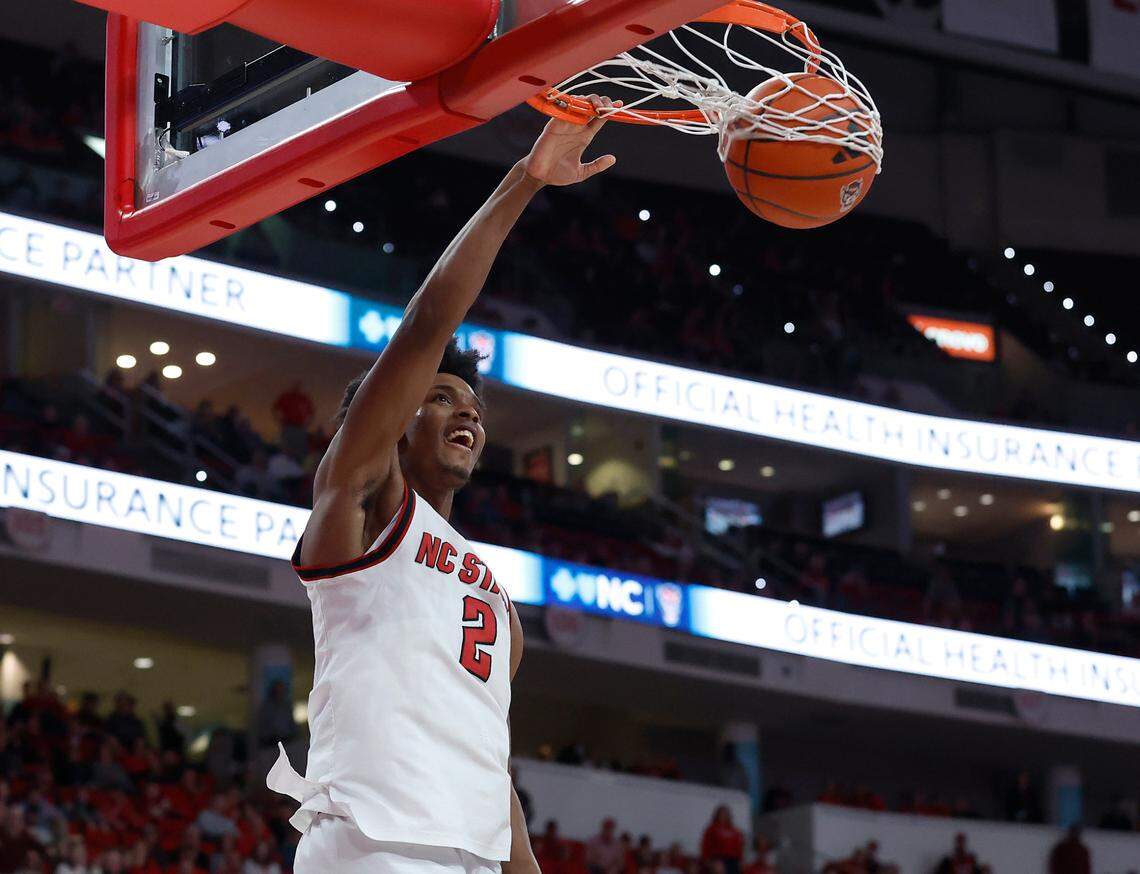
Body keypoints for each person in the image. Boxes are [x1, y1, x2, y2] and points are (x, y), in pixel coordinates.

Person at [266, 95, 621, 874]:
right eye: (439, 398)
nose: (467, 414)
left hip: (470, 857)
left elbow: (487, 768)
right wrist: (524, 180)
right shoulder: (364, 502)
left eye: (474, 406)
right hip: (372, 845)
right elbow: (430, 323)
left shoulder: (498, 604)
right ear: (389, 424)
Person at [700, 806, 744, 874]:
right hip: (718, 859)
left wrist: (740, 861)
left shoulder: (735, 830)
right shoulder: (711, 829)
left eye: (725, 814)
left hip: (733, 861)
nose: (723, 816)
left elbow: (739, 847)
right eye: (721, 813)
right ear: (717, 815)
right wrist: (708, 860)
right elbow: (705, 845)